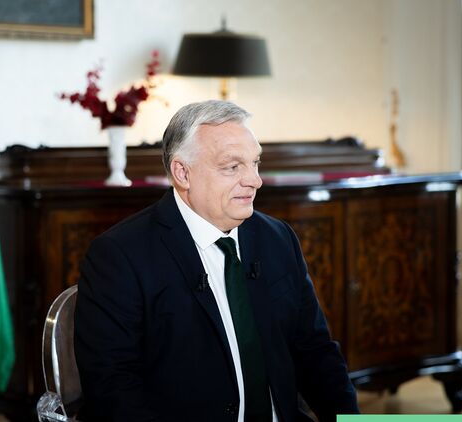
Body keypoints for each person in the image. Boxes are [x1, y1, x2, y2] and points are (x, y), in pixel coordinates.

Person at [74, 100, 359, 422]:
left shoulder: (278, 238)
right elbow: (113, 389)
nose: (254, 180)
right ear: (183, 173)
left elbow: (316, 351)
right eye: (232, 167)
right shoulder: (119, 255)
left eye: (255, 163)